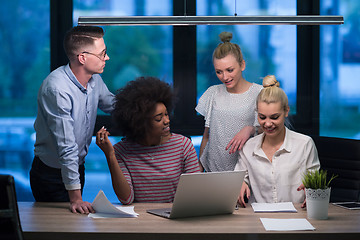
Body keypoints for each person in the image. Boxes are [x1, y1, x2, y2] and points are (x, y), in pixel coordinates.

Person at [30, 26, 114, 214]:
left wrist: (146, 108)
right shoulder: (57, 89)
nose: (106, 58)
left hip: (77, 168)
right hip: (51, 175)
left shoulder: (94, 79)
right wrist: (76, 198)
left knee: (76, 224)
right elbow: (66, 146)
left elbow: (113, 105)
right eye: (103, 54)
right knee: (58, 229)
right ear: (83, 58)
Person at [96, 76, 201, 205]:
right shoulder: (122, 151)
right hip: (141, 220)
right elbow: (126, 199)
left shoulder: (183, 145)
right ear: (140, 123)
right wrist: (110, 155)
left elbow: (196, 194)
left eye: (167, 114)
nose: (167, 121)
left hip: (174, 218)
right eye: (158, 118)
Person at [236, 75, 320, 208]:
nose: (268, 124)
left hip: (296, 217)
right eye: (262, 117)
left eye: (274, 117)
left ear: (286, 111)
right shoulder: (248, 148)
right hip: (257, 220)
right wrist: (240, 183)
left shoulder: (304, 144)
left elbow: (316, 183)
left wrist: (313, 189)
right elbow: (237, 179)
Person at [196, 32, 263, 172]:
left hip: (247, 172)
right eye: (219, 72)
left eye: (230, 70)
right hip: (214, 172)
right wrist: (199, 169)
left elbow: (271, 130)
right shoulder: (212, 93)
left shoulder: (259, 93)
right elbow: (207, 136)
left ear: (242, 65)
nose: (225, 77)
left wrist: (250, 129)